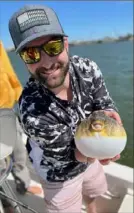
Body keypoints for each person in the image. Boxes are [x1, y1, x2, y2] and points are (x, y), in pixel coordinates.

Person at [8, 4, 122, 213]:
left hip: (90, 152)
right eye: (32, 54)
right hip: (58, 175)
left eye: (53, 47)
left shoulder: (88, 69)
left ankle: (92, 209)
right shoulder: (32, 111)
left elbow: (103, 101)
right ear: (24, 60)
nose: (47, 62)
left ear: (66, 44)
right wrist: (99, 151)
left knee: (93, 190)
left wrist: (108, 114)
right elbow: (64, 156)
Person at [0, 41, 42, 196]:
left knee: (19, 153)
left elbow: (7, 71)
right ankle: (7, 202)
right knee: (1, 165)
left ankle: (23, 185)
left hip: (7, 109)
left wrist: (20, 94)